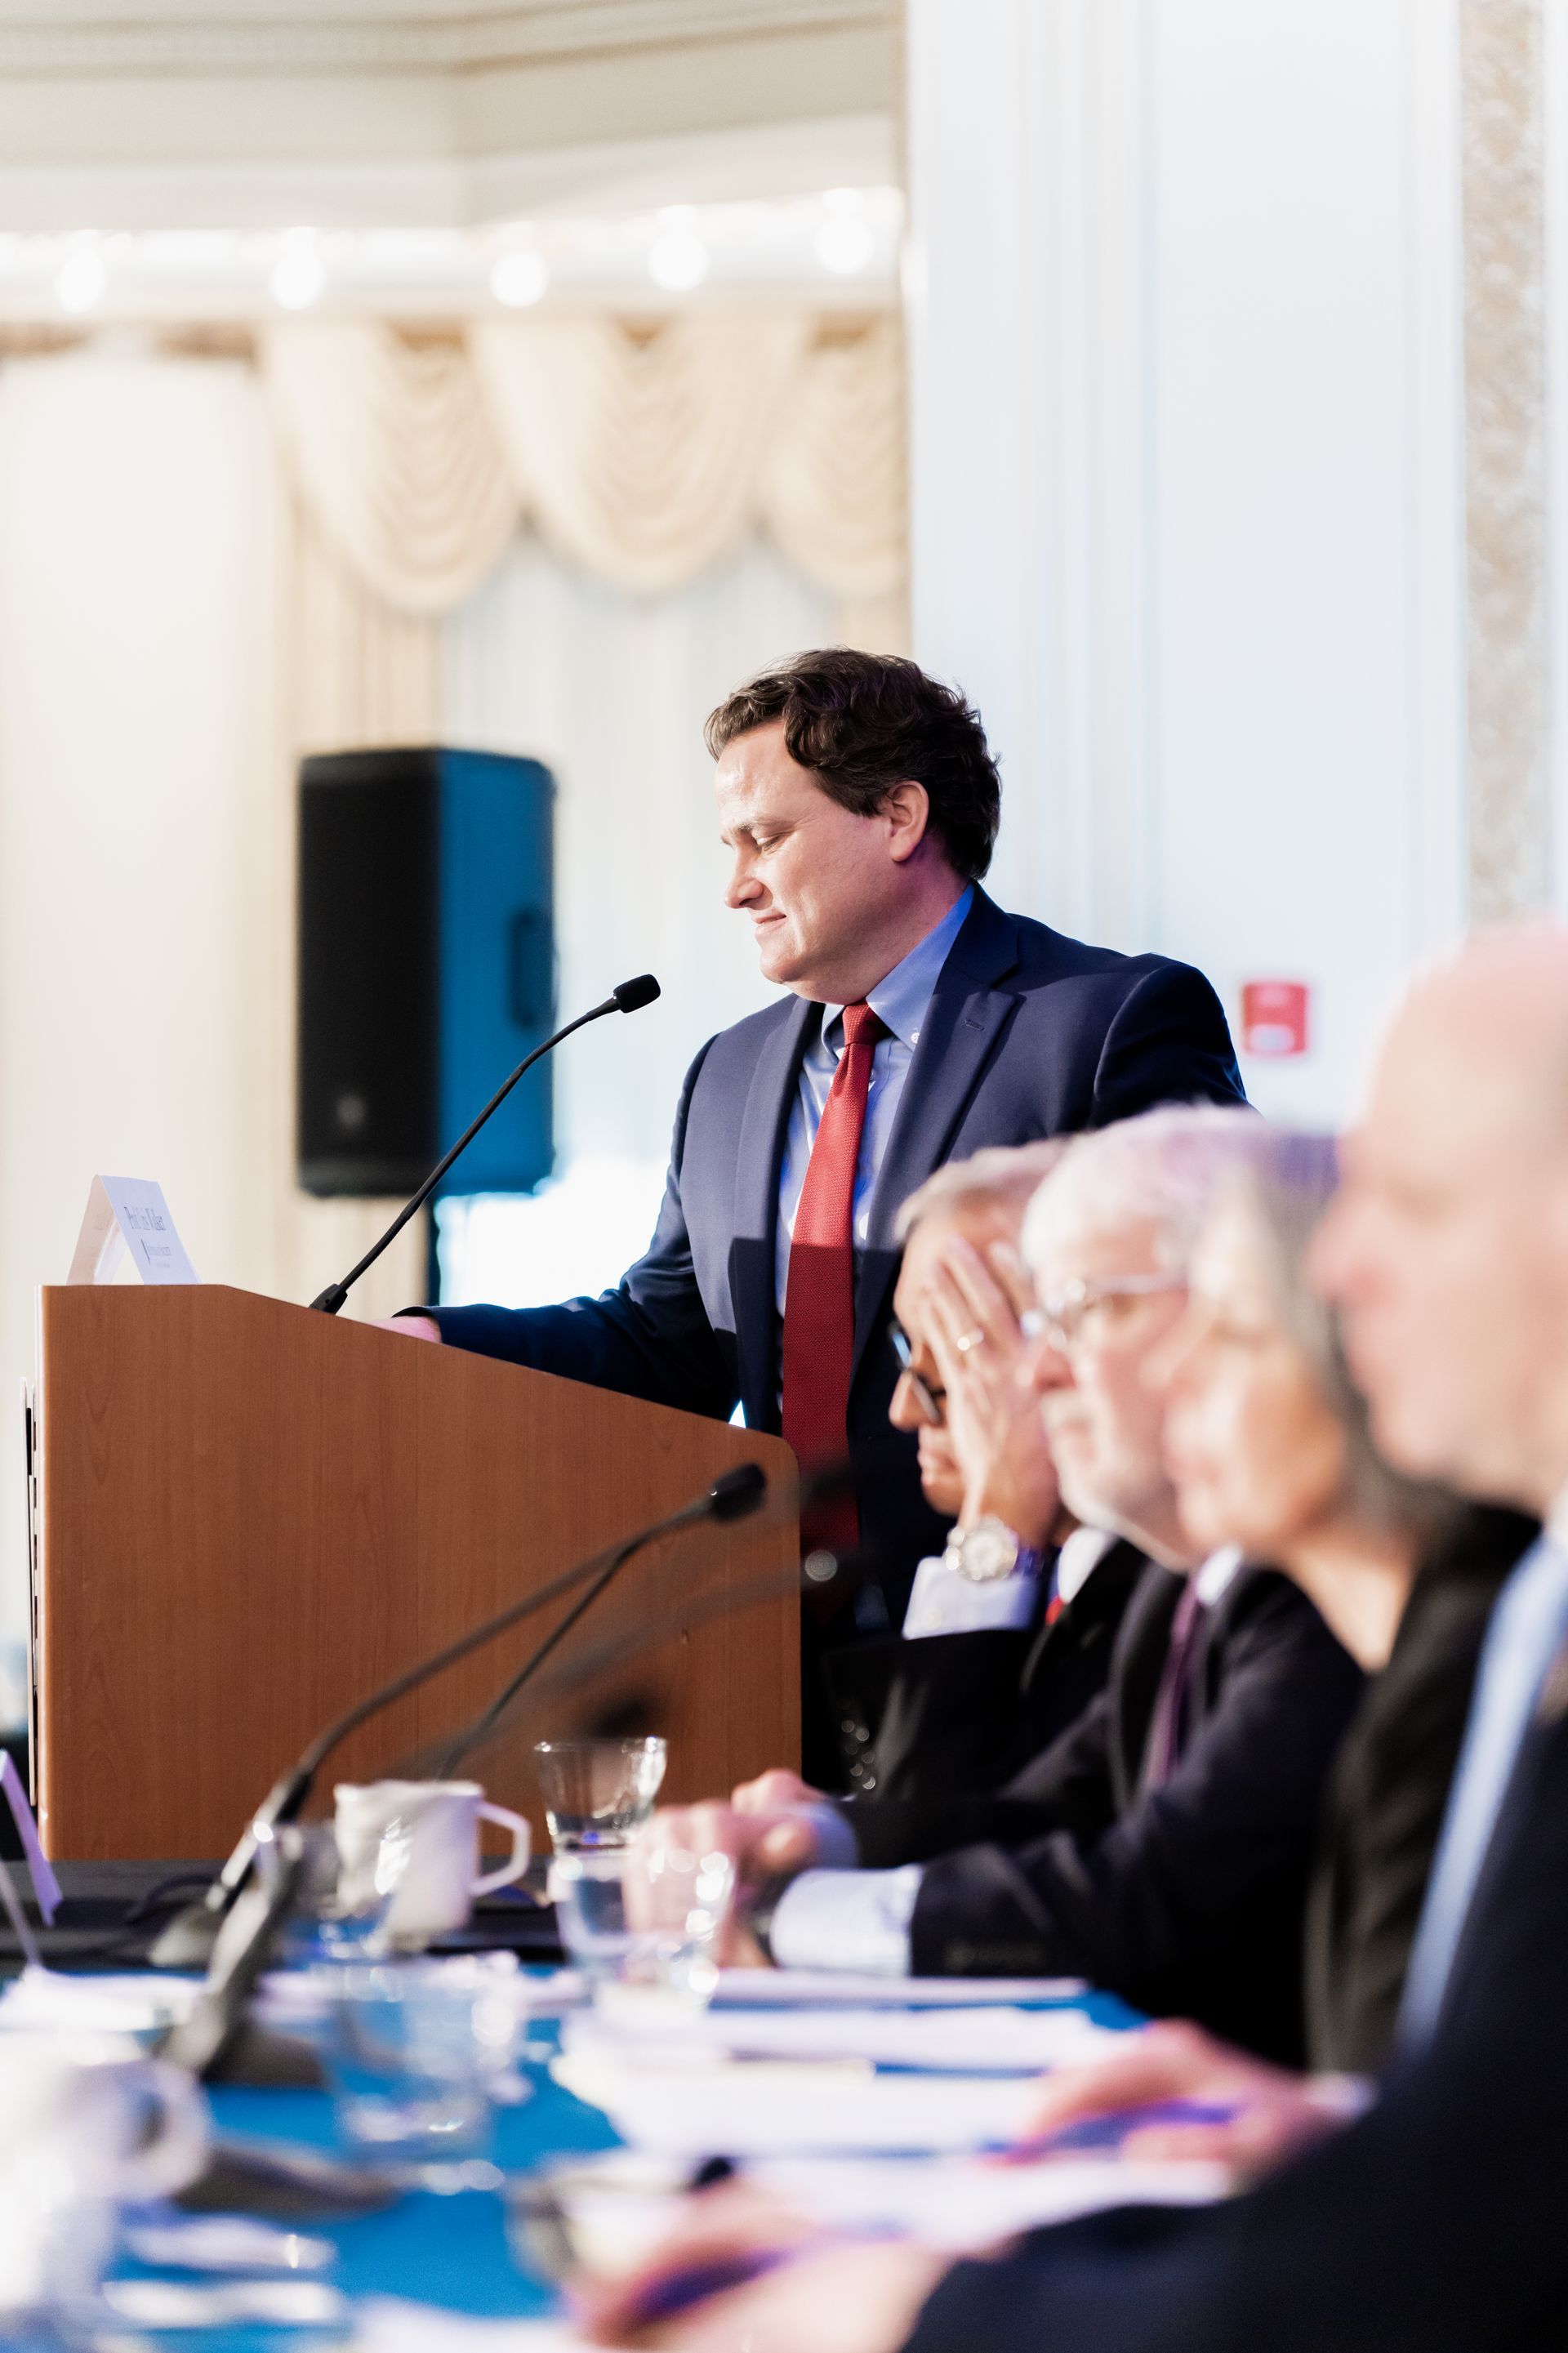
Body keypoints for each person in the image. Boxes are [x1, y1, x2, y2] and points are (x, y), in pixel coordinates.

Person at [580, 929, 1568, 2353]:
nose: (1338, 1277)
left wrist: (916, 2302)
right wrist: (1334, 2136)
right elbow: (1484, 2170)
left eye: (1407, 1201)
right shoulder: (1498, 1607)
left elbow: (1448, 2247)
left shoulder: (1442, 1623)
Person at [379, 649, 1245, 1771]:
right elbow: (667, 1341)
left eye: (764, 839)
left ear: (897, 815)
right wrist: (436, 1342)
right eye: (728, 847)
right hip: (776, 1662)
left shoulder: (1108, 1022)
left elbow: (1195, 1324)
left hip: (1032, 1661)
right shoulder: (728, 1077)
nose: (734, 886)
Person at [638, 1107, 1363, 2061]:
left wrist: (793, 1913)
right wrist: (825, 1840)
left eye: (1079, 1313)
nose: (1041, 1369)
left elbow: (1148, 1886)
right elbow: (1040, 1819)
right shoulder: (1183, 1580)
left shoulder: (1298, 1580)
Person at [824, 1142, 1145, 1806]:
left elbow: (935, 1830)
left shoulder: (1165, 1593)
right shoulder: (1061, 1571)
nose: (904, 1407)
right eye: (906, 1350)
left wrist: (997, 1519)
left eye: (954, 1356)